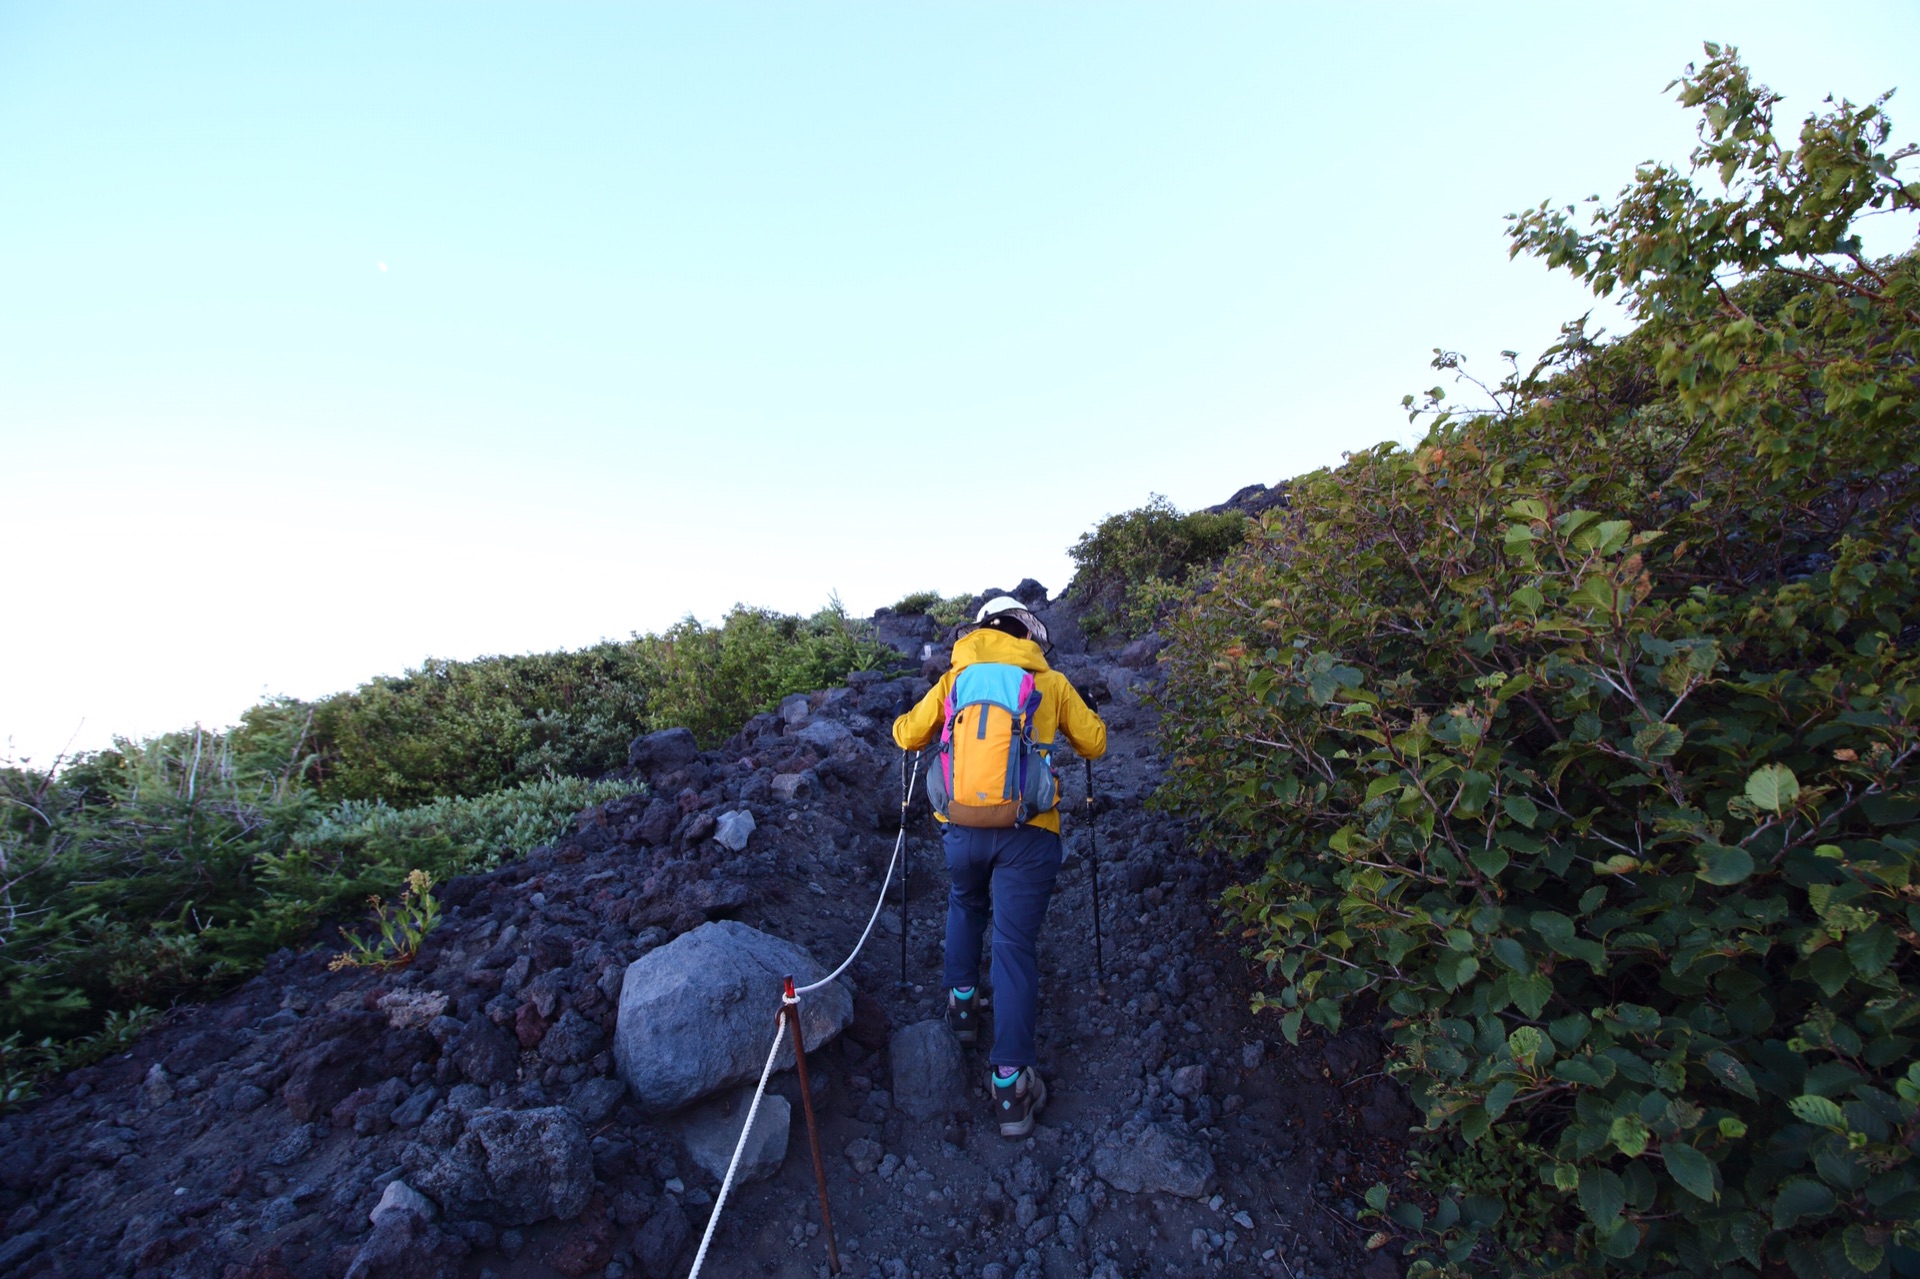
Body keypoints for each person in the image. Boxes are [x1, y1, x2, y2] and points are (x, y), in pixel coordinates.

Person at [892, 595, 1107, 1137]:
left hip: (961, 829)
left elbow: (908, 735)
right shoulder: (1048, 681)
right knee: (1013, 946)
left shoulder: (954, 680)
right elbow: (1095, 742)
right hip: (1028, 834)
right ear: (1025, 633)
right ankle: (1011, 1086)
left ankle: (963, 1007)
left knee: (964, 903)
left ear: (982, 630)